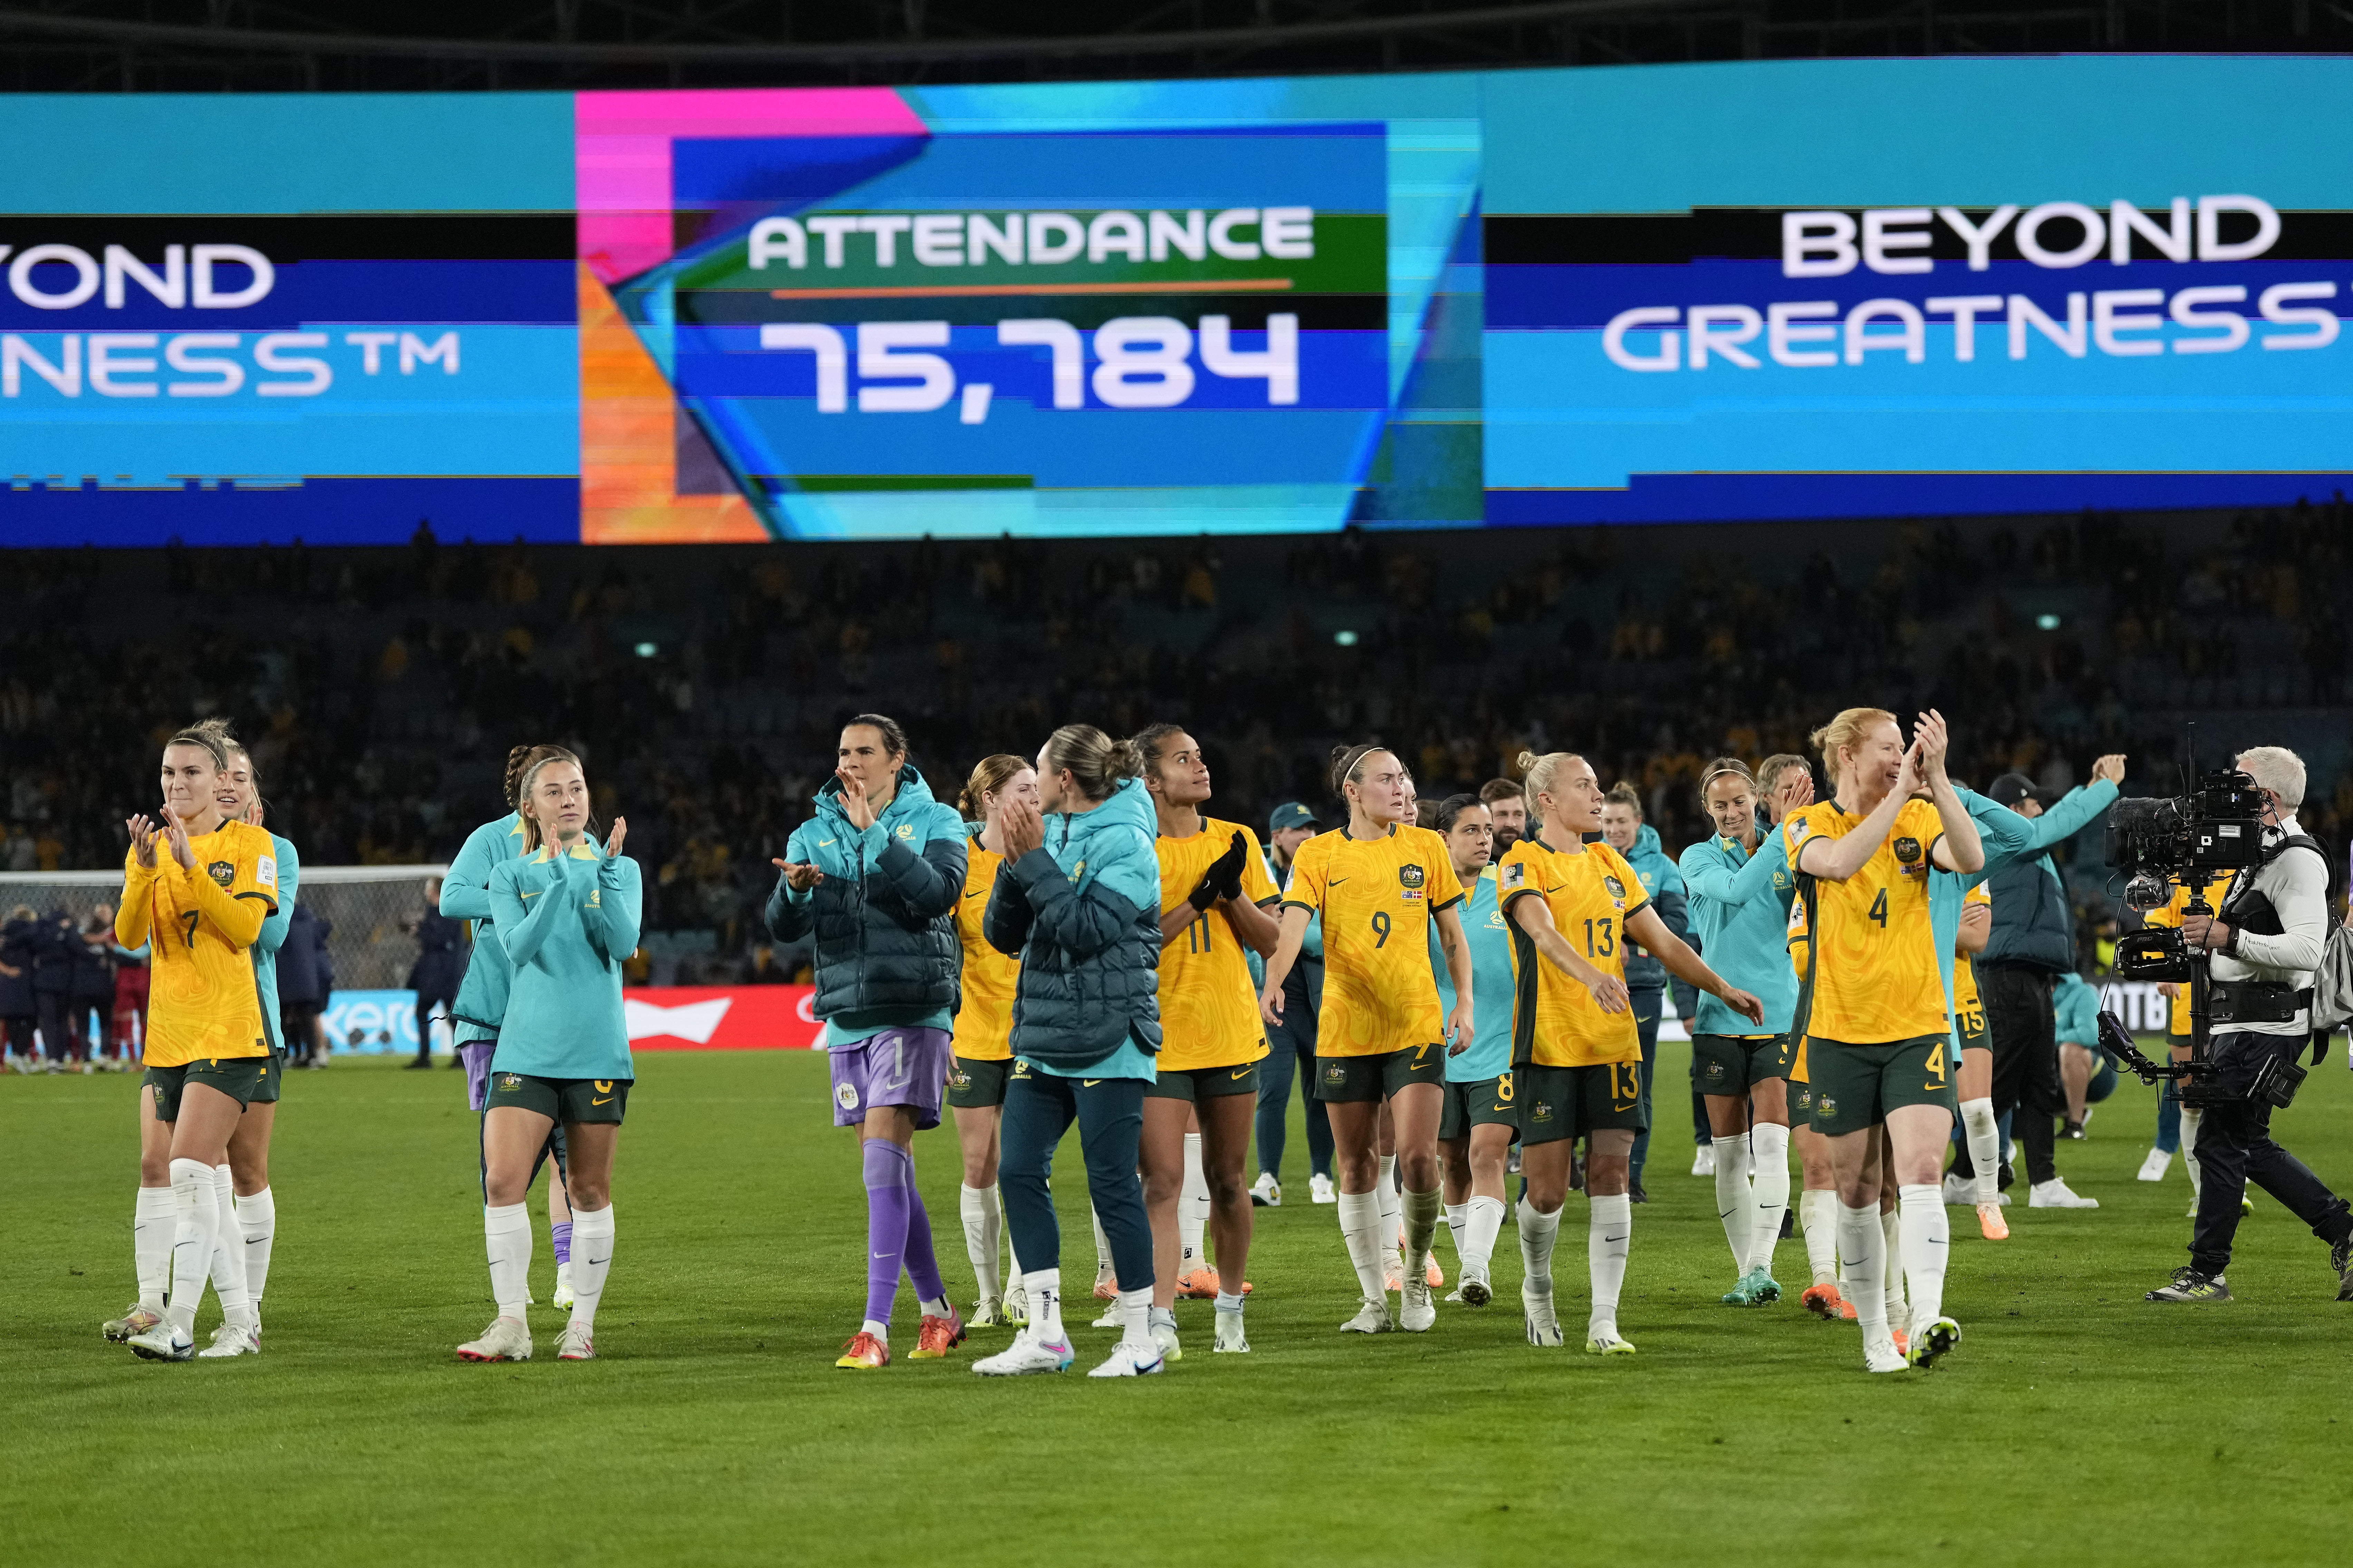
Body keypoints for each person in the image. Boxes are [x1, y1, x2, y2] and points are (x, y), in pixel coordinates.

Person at [1501, 751, 1763, 1355]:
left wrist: (1720, 987)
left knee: (1610, 1175)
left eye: (1597, 786)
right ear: (1546, 801)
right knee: (1543, 1192)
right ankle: (1536, 1291)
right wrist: (1592, 975)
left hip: (1613, 1044)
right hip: (1546, 1044)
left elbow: (1663, 939)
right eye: (1584, 786)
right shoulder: (1522, 861)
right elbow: (1541, 932)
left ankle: (1602, 1320)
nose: (1598, 797)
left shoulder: (1609, 863)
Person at [1783, 708, 1983, 1373]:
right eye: (1888, 747)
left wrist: (1941, 779)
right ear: (1845, 753)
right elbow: (1838, 865)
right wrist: (1900, 794)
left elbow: (1972, 856)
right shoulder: (1805, 824)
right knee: (1857, 1189)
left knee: (1921, 1171)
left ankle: (1923, 1315)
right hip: (1838, 1032)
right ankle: (1875, 1334)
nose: (1902, 757)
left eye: (1906, 747)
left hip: (1917, 1024)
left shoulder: (1919, 817)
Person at [766, 715, 969, 1371]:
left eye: (864, 751)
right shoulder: (812, 828)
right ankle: (937, 1309)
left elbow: (938, 894)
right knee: (889, 1171)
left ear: (896, 759)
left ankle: (874, 1328)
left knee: (882, 1163)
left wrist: (874, 836)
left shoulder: (935, 817)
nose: (850, 761)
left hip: (912, 1005)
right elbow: (781, 926)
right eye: (843, 751)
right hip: (848, 1013)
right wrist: (794, 891)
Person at [972, 725, 1168, 1378]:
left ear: (1063, 780)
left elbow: (1085, 933)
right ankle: (1047, 1332)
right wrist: (1013, 858)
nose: (1028, 785)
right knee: (1019, 1170)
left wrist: (1032, 862)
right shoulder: (1050, 834)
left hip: (1111, 1034)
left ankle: (1142, 1336)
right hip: (1045, 1034)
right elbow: (1003, 934)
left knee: (1112, 1183)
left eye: (1038, 771)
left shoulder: (1131, 844)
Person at [1259, 744, 1473, 1336]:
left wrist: (1464, 1002)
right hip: (1345, 1026)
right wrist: (1273, 980)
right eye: (1386, 778)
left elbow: (1451, 934)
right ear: (1352, 791)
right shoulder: (1320, 854)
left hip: (1412, 1022)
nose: (1400, 786)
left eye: (1403, 775)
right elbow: (1294, 923)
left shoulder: (1426, 847)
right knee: (1354, 1165)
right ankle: (1372, 1302)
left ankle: (1410, 1281)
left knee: (1415, 1157)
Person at [2149, 745, 2353, 1304]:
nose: (2223, 795)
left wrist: (2226, 937)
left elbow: (2307, 948)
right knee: (2245, 1143)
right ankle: (2342, 1230)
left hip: (2270, 1025)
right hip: (2243, 1021)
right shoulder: (2258, 855)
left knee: (2220, 1141)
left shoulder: (2294, 858)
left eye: (2236, 785)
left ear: (2264, 797)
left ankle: (2206, 1271)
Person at [458, 747, 640, 1363]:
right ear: (529, 806)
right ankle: (511, 1322)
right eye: (556, 790)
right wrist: (559, 882)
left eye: (578, 788)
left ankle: (580, 1326)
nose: (570, 799)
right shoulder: (511, 874)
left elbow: (621, 942)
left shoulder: (622, 868)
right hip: (525, 1047)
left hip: (595, 1050)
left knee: (588, 1189)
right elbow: (517, 946)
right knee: (503, 1180)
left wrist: (605, 878)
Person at [113, 720, 282, 1361]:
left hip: (230, 1030)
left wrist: (192, 869)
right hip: (169, 1038)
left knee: (188, 1168)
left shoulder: (250, 842)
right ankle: (239, 1321)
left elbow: (244, 927)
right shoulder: (153, 847)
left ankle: (178, 1321)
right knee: (200, 1181)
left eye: (190, 772)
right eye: (167, 772)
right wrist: (144, 867)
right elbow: (131, 934)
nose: (176, 782)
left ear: (220, 780)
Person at [1132, 724, 1279, 1358]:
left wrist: (1232, 894)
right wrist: (1198, 899)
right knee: (1161, 1181)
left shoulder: (1237, 840)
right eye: (1181, 758)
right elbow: (1134, 942)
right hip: (1158, 1035)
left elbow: (1272, 941)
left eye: (1199, 755)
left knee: (1227, 1178)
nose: (1199, 765)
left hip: (1228, 1031)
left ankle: (1229, 1312)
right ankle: (1160, 1316)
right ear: (1150, 779)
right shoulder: (1133, 846)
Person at [442, 748, 574, 1309]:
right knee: (508, 1164)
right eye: (550, 785)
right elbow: (452, 898)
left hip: (564, 1016)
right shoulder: (491, 840)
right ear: (526, 794)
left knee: (568, 1151)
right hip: (496, 1015)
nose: (564, 795)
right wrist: (522, 894)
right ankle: (511, 1291)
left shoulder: (581, 843)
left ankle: (568, 1272)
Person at [1678, 757, 1810, 1306]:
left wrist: (1796, 836)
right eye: (1719, 805)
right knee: (1730, 1154)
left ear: (1755, 798)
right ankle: (1744, 1272)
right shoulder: (1697, 857)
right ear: (1706, 810)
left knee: (1772, 1144)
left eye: (1738, 802)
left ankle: (1761, 1264)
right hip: (1718, 1018)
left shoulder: (1787, 848)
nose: (1730, 813)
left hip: (1780, 1014)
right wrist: (1784, 833)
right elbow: (1733, 891)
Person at [198, 740, 297, 1356]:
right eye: (221, 775)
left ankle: (247, 1310)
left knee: (243, 1170)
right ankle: (164, 1300)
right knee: (187, 1170)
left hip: (251, 1022)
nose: (230, 784)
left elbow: (270, 933)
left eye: (240, 776)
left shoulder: (275, 851)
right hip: (183, 1024)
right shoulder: (185, 845)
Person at [1973, 771, 2109, 1210]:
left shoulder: (2030, 847)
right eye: (2034, 805)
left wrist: (2087, 786)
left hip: (2032, 974)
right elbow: (2058, 824)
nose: (2041, 812)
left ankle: (2044, 1182)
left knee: (2036, 1082)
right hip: (2009, 974)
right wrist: (2104, 789)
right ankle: (1964, 1175)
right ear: (2014, 811)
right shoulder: (2010, 839)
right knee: (2001, 1086)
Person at [945, 753, 1037, 1329]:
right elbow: (940, 947)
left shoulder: (1048, 853)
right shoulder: (960, 863)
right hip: (975, 1032)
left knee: (1025, 1165)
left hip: (1037, 1032)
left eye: (1037, 788)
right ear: (989, 800)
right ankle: (985, 1294)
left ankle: (1022, 1285)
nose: (1035, 798)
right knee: (979, 1163)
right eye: (1024, 789)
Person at [1426, 794, 1517, 1305]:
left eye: (1487, 829)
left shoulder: (1510, 891)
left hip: (1501, 1046)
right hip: (1438, 1048)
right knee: (1452, 1163)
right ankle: (1467, 1272)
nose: (1485, 838)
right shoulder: (1419, 899)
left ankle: (1476, 1268)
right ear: (1442, 839)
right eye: (1471, 830)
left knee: (1488, 1153)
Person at [1599, 783, 1691, 1201]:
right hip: (1592, 988)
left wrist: (1627, 943)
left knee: (1638, 1082)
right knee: (1592, 1079)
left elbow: (1674, 929)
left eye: (1621, 821)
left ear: (1638, 822)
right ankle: (1588, 1164)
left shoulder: (1664, 869)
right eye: (1607, 822)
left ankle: (1632, 1175)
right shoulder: (1586, 860)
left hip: (1642, 986)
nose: (1614, 829)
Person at [1250, 801, 1335, 1208]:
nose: (1308, 836)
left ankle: (1322, 1175)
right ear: (1277, 835)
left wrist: (1291, 927)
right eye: (1299, 829)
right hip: (1276, 996)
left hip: (1320, 994)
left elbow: (1321, 935)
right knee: (1274, 1087)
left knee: (1320, 1089)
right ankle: (1268, 1178)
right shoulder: (1259, 872)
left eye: (1312, 829)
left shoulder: (1321, 868)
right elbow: (1255, 933)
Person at [2137, 871, 2236, 1193]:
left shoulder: (2249, 871)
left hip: (2240, 996)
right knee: (2191, 1102)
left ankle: (2231, 1179)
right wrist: (2160, 963)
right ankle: (2202, 1194)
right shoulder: (2180, 878)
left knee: (2233, 1097)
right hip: (2188, 997)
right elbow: (2155, 923)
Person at [404, 880, 466, 1069]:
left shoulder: (442, 912)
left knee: (424, 1011)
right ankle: (459, 1056)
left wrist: (419, 932)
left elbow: (438, 940)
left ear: (435, 891)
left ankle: (425, 1057)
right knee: (451, 1015)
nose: (426, 892)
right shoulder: (450, 911)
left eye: (428, 888)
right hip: (449, 972)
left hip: (438, 973)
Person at [276, 902, 326, 1071]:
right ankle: (311, 1055)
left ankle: (287, 1056)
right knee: (307, 1018)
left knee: (283, 1018)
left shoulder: (279, 916)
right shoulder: (308, 919)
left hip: (285, 977)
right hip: (307, 978)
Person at [74, 909, 121, 1069]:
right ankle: (103, 1057)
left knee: (84, 1025)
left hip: (84, 990)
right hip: (102, 989)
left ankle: (87, 1060)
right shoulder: (108, 944)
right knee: (105, 1024)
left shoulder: (77, 942)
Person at [1, 904, 39, 1071]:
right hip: (28, 980)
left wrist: (7, 970)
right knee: (32, 1019)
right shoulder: (33, 934)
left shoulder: (5, 935)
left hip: (7, 982)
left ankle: (18, 1056)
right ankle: (19, 1054)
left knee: (11, 1019)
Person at [1479, 778, 1528, 855]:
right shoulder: (1465, 859)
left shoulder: (1542, 856)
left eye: (1518, 815)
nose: (1511, 824)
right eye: (1502, 815)